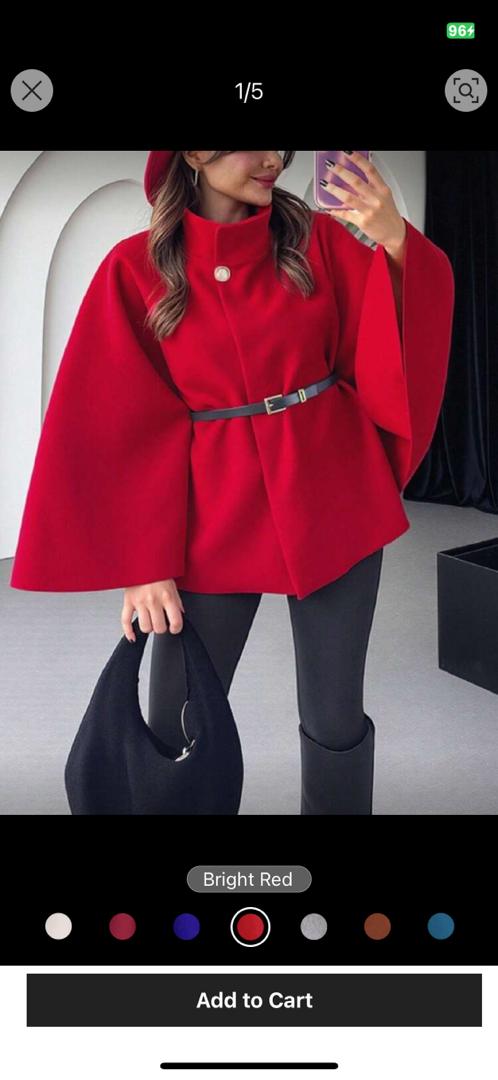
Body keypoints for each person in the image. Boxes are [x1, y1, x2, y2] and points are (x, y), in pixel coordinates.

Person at [10, 150, 455, 814]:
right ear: (193, 153)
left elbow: (394, 334)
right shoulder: (134, 268)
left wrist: (395, 243)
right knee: (176, 716)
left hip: (333, 490)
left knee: (335, 717)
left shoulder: (317, 242)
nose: (273, 158)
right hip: (213, 510)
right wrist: (143, 563)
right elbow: (113, 417)